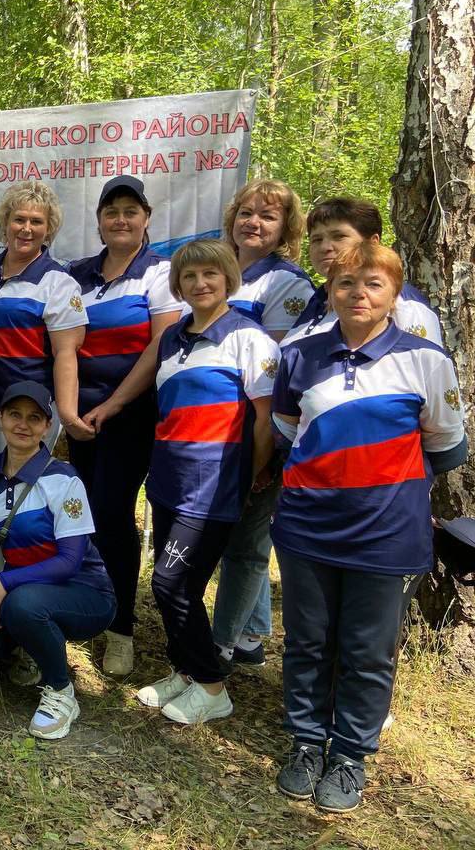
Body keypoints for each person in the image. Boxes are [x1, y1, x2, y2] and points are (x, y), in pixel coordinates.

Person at [269, 241, 466, 813]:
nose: (359, 294)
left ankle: (350, 754)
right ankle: (307, 743)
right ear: (330, 290)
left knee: (368, 650)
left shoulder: (427, 360)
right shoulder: (298, 354)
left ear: (395, 294)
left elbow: (446, 445)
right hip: (307, 526)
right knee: (307, 641)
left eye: (373, 283)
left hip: (387, 532)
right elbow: (287, 428)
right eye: (346, 283)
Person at [137, 239, 279, 725]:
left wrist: (250, 475)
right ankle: (185, 671)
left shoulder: (249, 338)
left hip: (212, 488)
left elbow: (266, 422)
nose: (200, 283)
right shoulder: (171, 339)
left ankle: (213, 686)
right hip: (168, 483)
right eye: (189, 276)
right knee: (183, 587)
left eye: (210, 274)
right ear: (178, 284)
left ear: (227, 279)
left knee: (169, 583)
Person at [66, 175, 182, 677]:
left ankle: (121, 630)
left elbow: (161, 344)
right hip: (79, 418)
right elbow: (63, 343)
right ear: (98, 221)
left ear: (146, 218)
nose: (120, 220)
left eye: (130, 211)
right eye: (111, 211)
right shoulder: (77, 274)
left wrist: (113, 405)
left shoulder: (161, 272)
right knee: (84, 516)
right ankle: (90, 606)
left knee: (113, 516)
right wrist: (68, 410)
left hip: (132, 416)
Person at [0, 382, 116, 739]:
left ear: (47, 426)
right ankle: (33, 648)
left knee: (24, 605)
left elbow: (70, 561)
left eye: (34, 417)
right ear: (0, 418)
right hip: (23, 589)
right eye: (15, 414)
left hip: (84, 592)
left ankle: (61, 690)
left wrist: (4, 582)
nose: (23, 424)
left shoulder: (64, 479)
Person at [212, 180, 314, 668]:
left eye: (267, 216)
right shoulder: (220, 269)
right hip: (211, 425)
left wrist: (266, 448)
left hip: (255, 425)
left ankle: (222, 648)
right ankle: (251, 634)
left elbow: (270, 369)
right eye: (246, 212)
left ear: (285, 229)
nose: (253, 223)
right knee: (235, 534)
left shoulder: (287, 283)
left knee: (247, 541)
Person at [0, 180, 88, 468]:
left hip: (29, 411)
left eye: (36, 221)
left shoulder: (59, 282)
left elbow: (66, 354)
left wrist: (68, 415)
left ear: (48, 229)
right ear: (6, 223)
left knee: (26, 488)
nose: (26, 228)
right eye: (19, 219)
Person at [283, 196, 442, 347]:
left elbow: (422, 360)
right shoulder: (317, 300)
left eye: (339, 236)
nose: (325, 247)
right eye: (317, 240)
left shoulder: (402, 302)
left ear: (372, 243)